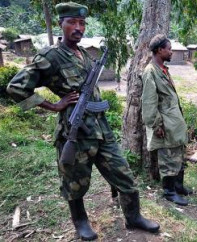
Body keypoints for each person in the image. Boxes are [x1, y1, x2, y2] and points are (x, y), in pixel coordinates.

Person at [6, 2, 159, 240]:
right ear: (61, 24)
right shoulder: (50, 56)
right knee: (74, 182)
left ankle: (134, 216)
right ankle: (81, 222)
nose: (78, 28)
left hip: (101, 128)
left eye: (82, 23)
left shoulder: (85, 54)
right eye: (72, 23)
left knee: (124, 174)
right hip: (74, 132)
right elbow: (15, 87)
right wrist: (53, 105)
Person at [142, 34, 191, 207]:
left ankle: (178, 186)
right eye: (169, 49)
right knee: (168, 159)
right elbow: (149, 102)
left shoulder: (163, 69)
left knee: (177, 156)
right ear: (159, 50)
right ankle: (169, 192)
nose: (171, 52)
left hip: (174, 124)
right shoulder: (150, 72)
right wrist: (156, 125)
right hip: (165, 125)